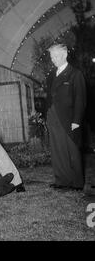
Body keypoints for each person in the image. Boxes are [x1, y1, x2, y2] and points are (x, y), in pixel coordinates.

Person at [46, 44, 86, 191]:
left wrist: (76, 121)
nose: (53, 60)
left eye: (55, 56)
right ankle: (62, 180)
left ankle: (76, 183)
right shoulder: (52, 74)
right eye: (51, 57)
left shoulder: (75, 74)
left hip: (69, 118)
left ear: (64, 55)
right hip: (53, 116)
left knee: (72, 149)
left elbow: (80, 100)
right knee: (57, 149)